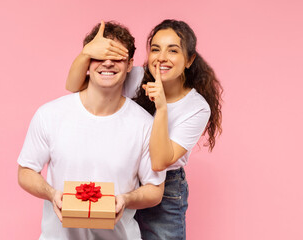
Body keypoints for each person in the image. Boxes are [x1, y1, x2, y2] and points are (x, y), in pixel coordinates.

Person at [65, 19, 223, 240]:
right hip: (125, 175)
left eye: (173, 50)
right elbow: (75, 86)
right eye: (156, 49)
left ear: (189, 60)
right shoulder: (137, 77)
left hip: (165, 188)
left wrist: (162, 106)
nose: (162, 57)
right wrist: (86, 53)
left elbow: (158, 162)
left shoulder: (196, 108)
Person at [17, 21, 166, 240]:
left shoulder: (144, 124)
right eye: (99, 56)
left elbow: (155, 189)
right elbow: (25, 171)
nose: (108, 63)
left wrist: (125, 199)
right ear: (87, 61)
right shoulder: (50, 114)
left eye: (117, 57)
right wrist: (53, 194)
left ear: (129, 64)